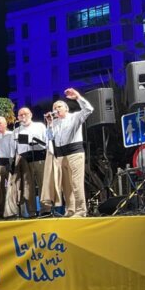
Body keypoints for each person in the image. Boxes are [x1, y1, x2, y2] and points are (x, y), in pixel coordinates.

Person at [46, 88, 93, 217]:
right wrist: (49, 124)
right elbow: (50, 138)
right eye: (55, 107)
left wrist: (78, 97)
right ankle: (70, 210)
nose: (56, 108)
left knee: (76, 183)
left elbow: (89, 110)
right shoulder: (54, 123)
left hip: (75, 152)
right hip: (61, 154)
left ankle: (81, 210)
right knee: (66, 185)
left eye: (59, 106)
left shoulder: (75, 117)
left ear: (66, 108)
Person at [15, 107, 51, 217]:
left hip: (39, 157)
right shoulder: (16, 130)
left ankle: (45, 209)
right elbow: (16, 148)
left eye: (25, 114)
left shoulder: (39, 126)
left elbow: (46, 141)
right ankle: (31, 211)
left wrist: (34, 141)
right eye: (20, 115)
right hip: (25, 160)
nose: (23, 116)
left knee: (42, 183)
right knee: (27, 186)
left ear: (31, 115)